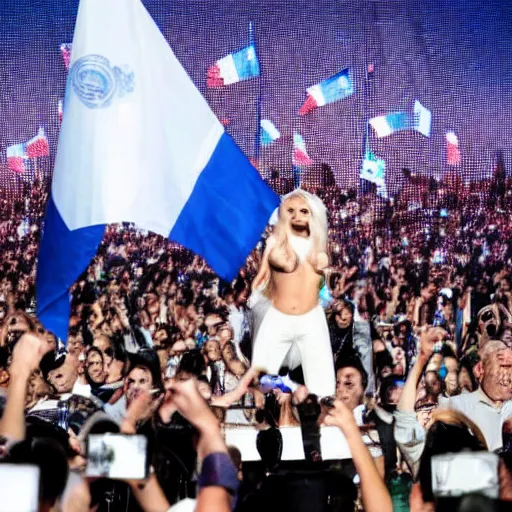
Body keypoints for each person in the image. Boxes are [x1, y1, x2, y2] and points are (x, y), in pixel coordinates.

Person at [249, 189, 335, 398]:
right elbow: (262, 275)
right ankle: (265, 420)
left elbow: (322, 285)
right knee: (262, 378)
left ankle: (320, 422)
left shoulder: (319, 246)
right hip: (278, 315)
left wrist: (327, 294)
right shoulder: (274, 242)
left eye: (303, 211)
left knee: (322, 386)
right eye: (291, 210)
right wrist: (255, 296)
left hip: (311, 318)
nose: (297, 216)